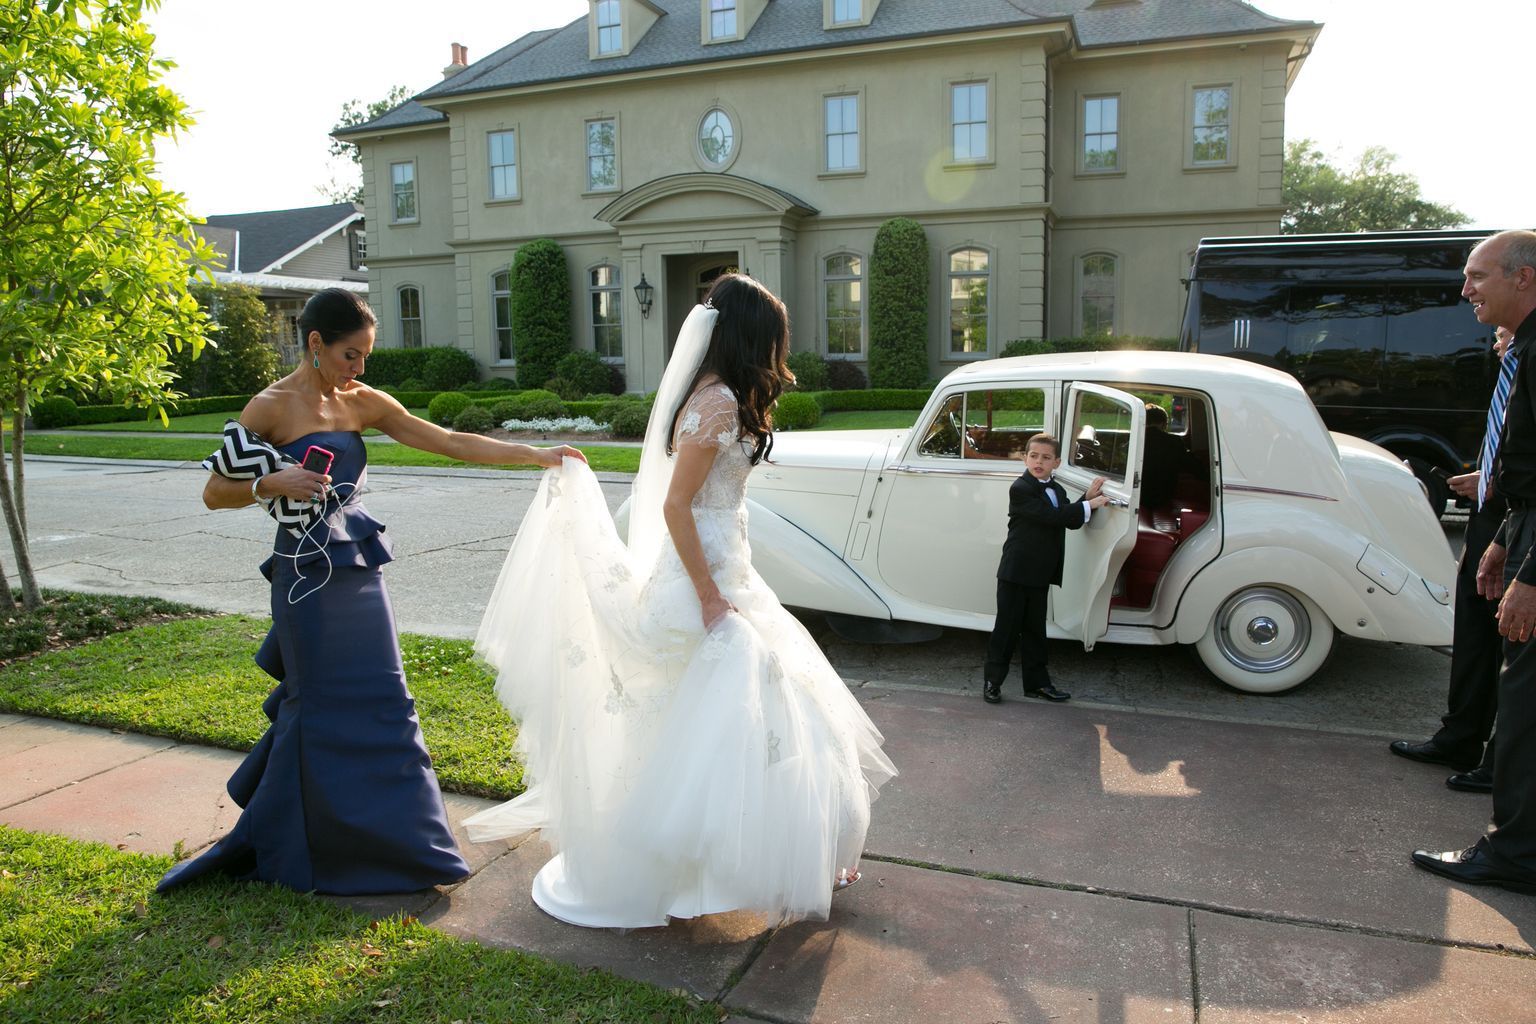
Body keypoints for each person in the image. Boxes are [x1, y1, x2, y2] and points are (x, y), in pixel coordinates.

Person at [463, 274, 897, 927]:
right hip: (708, 584)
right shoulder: (718, 402)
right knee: (752, 717)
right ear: (749, 336)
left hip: (732, 573)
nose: (781, 352)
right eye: (774, 338)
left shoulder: (723, 399)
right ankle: (717, 870)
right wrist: (708, 594)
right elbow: (675, 504)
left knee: (742, 720)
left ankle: (775, 860)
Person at [157, 288, 584, 896]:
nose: (360, 368)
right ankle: (296, 845)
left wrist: (537, 454)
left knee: (387, 699)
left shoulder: (363, 401)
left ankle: (406, 847)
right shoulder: (269, 406)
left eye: (366, 356)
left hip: (358, 566)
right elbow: (214, 492)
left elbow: (451, 442)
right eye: (350, 355)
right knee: (318, 705)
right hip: (303, 576)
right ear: (315, 344)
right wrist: (271, 480)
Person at [1413, 230, 1536, 895]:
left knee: (1524, 702)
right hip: (1517, 524)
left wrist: (1530, 573)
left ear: (1523, 278)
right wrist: (1497, 541)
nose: (1466, 291)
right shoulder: (1523, 351)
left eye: (1478, 277)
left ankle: (1516, 853)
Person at [1390, 325, 1513, 792]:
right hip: (1489, 519)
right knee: (1475, 637)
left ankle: (1501, 763)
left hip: (1515, 527)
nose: (1498, 342)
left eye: (1505, 335)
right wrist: (1485, 480)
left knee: (1510, 649)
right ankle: (1460, 738)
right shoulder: (1512, 372)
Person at [982, 434, 1109, 704]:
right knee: (1006, 629)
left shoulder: (1057, 489)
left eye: (1046, 457)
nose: (1039, 461)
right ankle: (992, 682)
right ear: (1025, 457)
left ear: (1057, 462)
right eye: (1034, 456)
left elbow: (1069, 521)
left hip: (1040, 572)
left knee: (1035, 631)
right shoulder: (1020, 488)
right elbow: (1049, 517)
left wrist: (1086, 499)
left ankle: (1037, 684)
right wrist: (1087, 505)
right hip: (1016, 571)